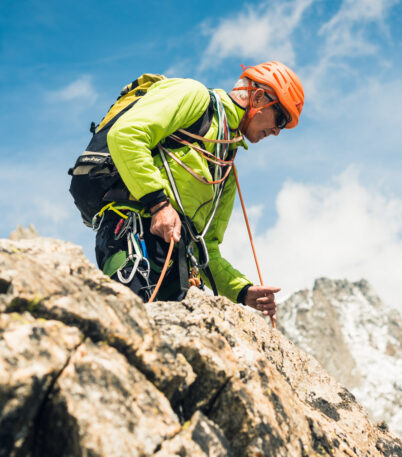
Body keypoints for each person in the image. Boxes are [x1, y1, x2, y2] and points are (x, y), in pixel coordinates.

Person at [81, 61, 304, 319]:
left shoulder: (225, 167)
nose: (277, 131)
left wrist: (242, 291)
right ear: (258, 96)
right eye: (281, 118)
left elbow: (206, 247)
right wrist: (158, 204)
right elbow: (126, 135)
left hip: (178, 265)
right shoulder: (195, 97)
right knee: (128, 326)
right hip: (131, 235)